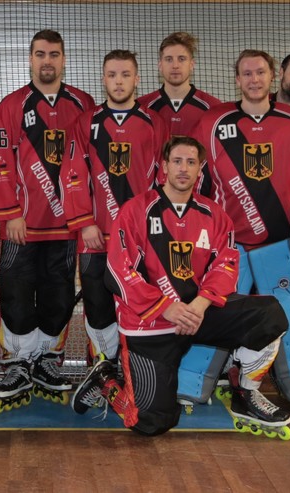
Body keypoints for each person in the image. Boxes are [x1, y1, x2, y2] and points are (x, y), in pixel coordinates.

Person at [82, 136, 290, 437]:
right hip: (150, 324)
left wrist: (200, 305)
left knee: (269, 313)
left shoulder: (215, 215)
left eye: (191, 162)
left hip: (196, 315)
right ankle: (106, 382)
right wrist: (166, 307)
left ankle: (245, 392)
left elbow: (226, 266)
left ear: (199, 169)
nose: (183, 168)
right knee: (152, 423)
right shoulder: (135, 210)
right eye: (177, 161)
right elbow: (118, 272)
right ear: (164, 166)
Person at [181, 50, 290, 413]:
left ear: (273, 76)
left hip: (279, 247)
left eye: (261, 72)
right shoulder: (212, 122)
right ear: (237, 80)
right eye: (247, 74)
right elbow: (194, 184)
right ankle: (186, 387)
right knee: (211, 316)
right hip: (227, 247)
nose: (254, 79)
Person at [0, 29, 96, 410]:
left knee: (59, 292)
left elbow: (90, 163)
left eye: (54, 54)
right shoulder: (11, 105)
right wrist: (11, 213)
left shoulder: (82, 104)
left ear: (63, 59)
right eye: (40, 54)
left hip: (66, 225)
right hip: (21, 226)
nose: (47, 61)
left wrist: (82, 216)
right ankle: (18, 361)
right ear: (30, 59)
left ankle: (48, 358)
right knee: (15, 291)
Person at [60, 50, 167, 404]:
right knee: (97, 305)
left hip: (140, 239)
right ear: (103, 79)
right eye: (111, 75)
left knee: (138, 303)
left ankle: (135, 375)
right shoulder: (85, 122)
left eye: (125, 75)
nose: (118, 82)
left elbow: (164, 179)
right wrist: (84, 223)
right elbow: (72, 173)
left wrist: (155, 227)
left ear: (137, 79)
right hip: (95, 237)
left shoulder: (154, 123)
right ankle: (104, 373)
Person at [136, 32, 222, 137]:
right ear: (160, 65)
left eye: (181, 59)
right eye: (169, 59)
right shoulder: (141, 107)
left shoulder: (213, 107)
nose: (175, 65)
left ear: (191, 65)